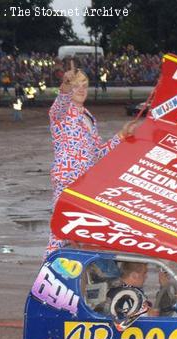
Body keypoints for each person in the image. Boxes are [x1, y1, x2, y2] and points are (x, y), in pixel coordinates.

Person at [45, 63, 140, 256]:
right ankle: (48, 280)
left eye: (84, 85)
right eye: (76, 85)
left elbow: (97, 154)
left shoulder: (89, 117)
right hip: (68, 181)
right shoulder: (60, 113)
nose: (81, 89)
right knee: (60, 233)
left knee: (83, 233)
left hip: (86, 184)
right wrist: (65, 85)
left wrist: (121, 136)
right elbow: (61, 100)